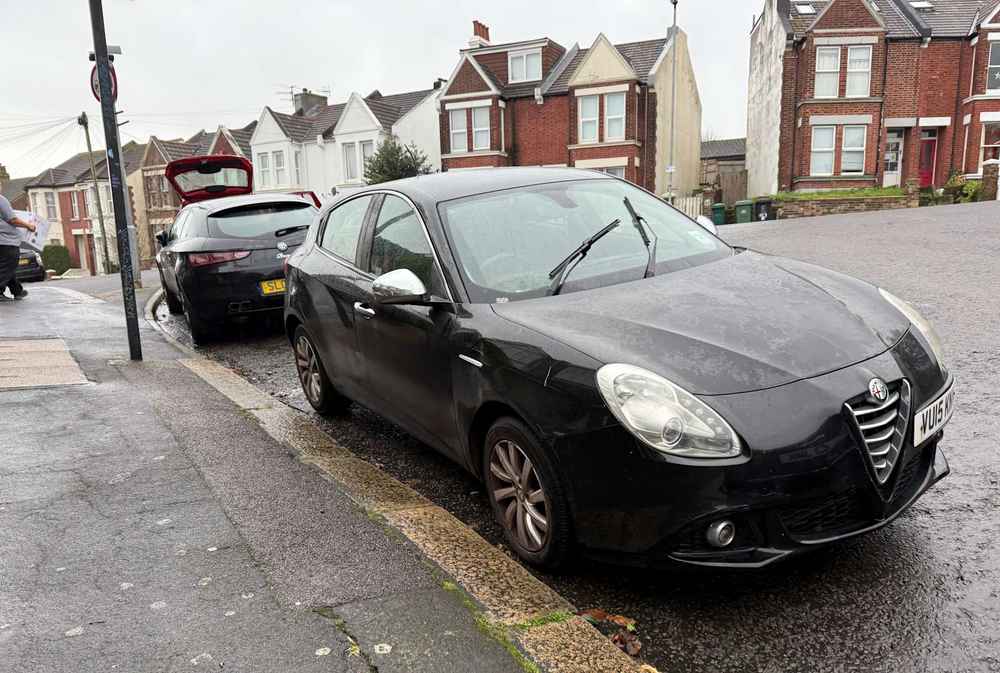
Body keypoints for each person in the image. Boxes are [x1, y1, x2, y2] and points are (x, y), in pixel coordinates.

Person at [0, 193, 37, 300]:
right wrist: (28, 225)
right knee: (7, 266)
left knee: (6, 267)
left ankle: (17, 290)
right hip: (7, 241)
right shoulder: (1, 199)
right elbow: (12, 219)